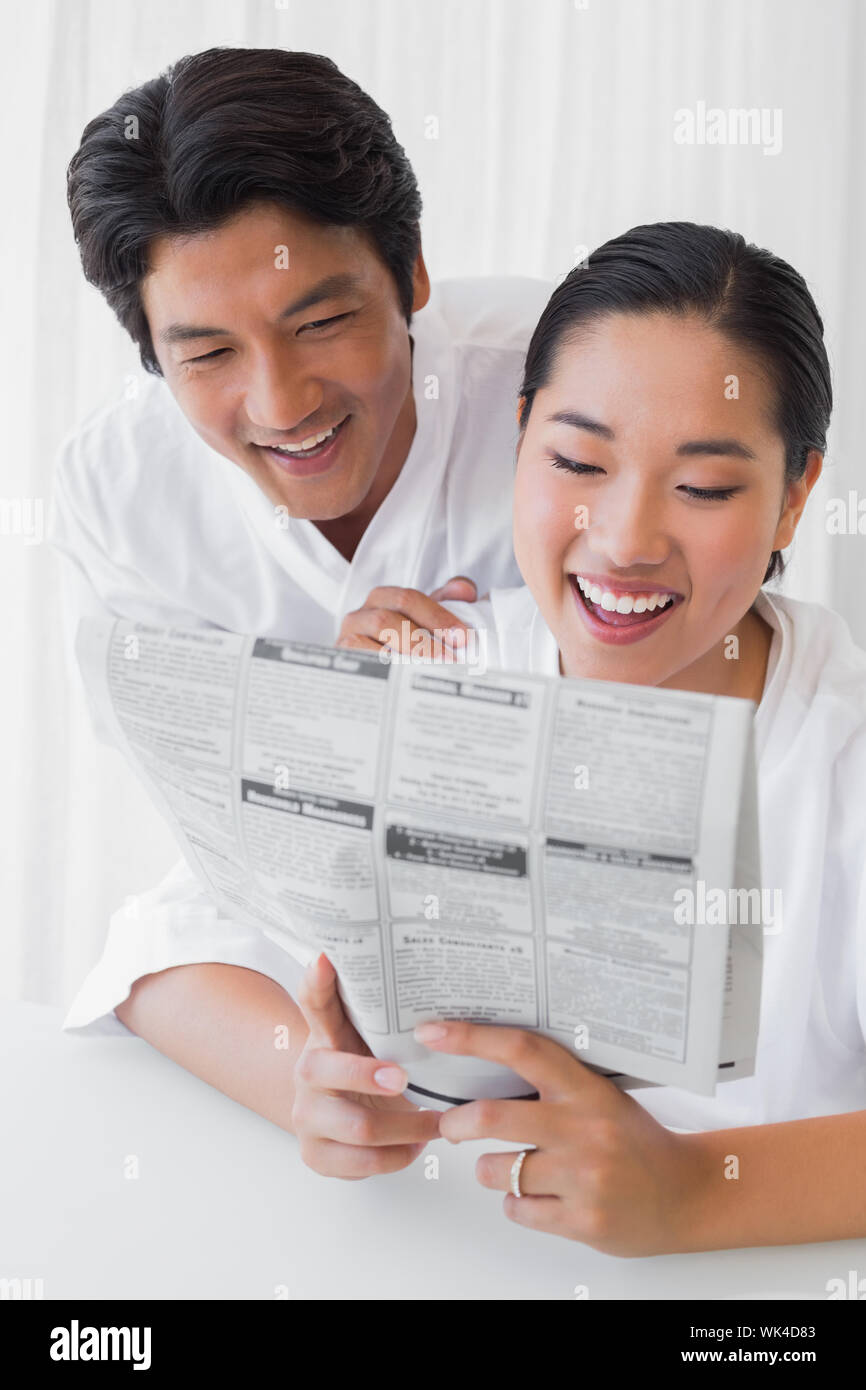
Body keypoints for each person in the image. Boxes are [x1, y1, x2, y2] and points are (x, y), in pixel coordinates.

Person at [302, 222, 866, 1253]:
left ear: (792, 496)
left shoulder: (840, 761)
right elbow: (206, 958)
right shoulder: (434, 672)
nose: (624, 540)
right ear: (520, 434)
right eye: (575, 459)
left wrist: (701, 1192)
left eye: (702, 487)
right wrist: (337, 1090)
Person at [51, 46, 547, 1167]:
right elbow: (218, 828)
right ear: (150, 354)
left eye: (321, 322)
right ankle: (342, 1095)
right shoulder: (117, 486)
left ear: (410, 271)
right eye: (209, 353)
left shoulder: (562, 383)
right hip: (308, 909)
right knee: (165, 953)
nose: (280, 404)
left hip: (556, 895)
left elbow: (720, 650)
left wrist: (489, 667)